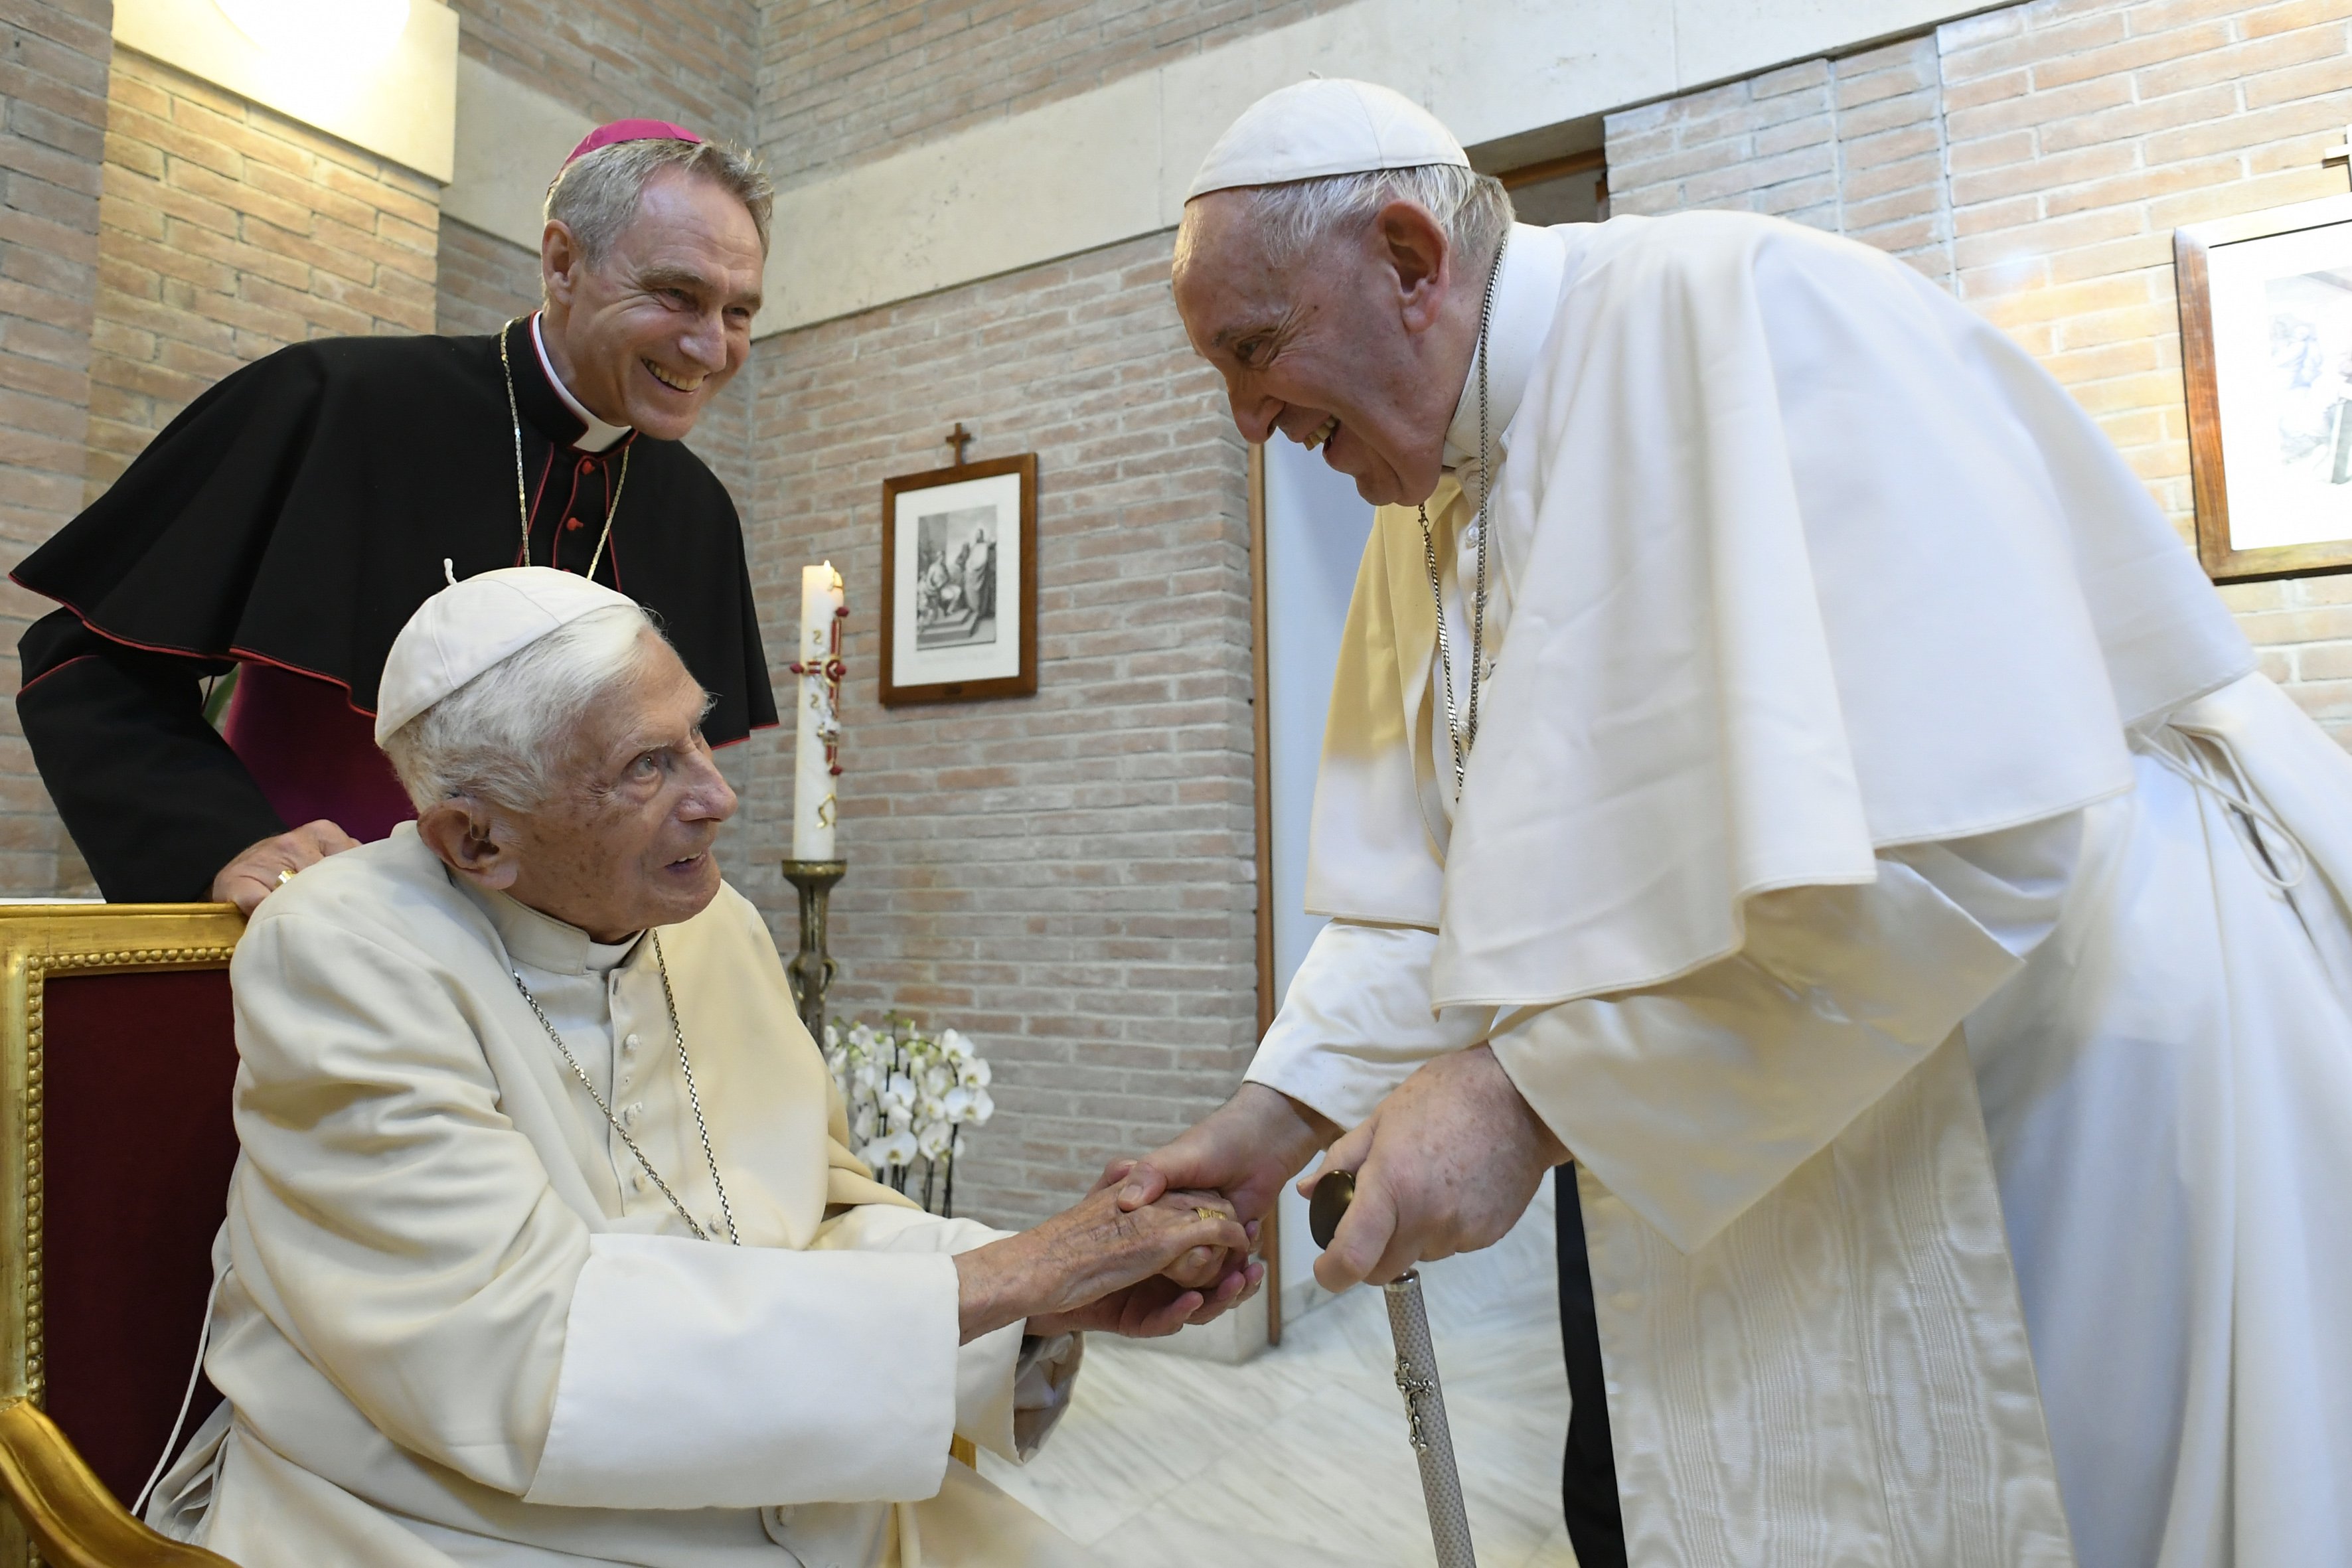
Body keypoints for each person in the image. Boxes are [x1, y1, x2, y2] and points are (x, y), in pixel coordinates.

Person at [1115, 78, 2352, 1568]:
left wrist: (1530, 1096)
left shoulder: (1754, 313)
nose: (1249, 423)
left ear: (1406, 258)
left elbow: (1977, 843)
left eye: (1255, 352)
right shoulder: (1426, 490)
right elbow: (1420, 893)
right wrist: (1267, 1123)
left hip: (2064, 1075)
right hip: (1802, 1108)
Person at [145, 566, 1262, 1567]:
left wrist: (1043, 1293)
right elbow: (514, 1356)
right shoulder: (345, 948)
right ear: (475, 839)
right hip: (446, 1513)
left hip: (788, 1492)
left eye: (696, 738)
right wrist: (1001, 1284)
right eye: (648, 764)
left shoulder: (706, 920)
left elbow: (811, 1215)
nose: (717, 796)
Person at [13, 119, 775, 913]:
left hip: (570, 989)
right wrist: (223, 842)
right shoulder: (338, 404)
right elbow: (85, 664)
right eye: (676, 295)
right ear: (562, 264)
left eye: (739, 313)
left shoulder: (700, 514)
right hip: (324, 942)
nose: (710, 347)